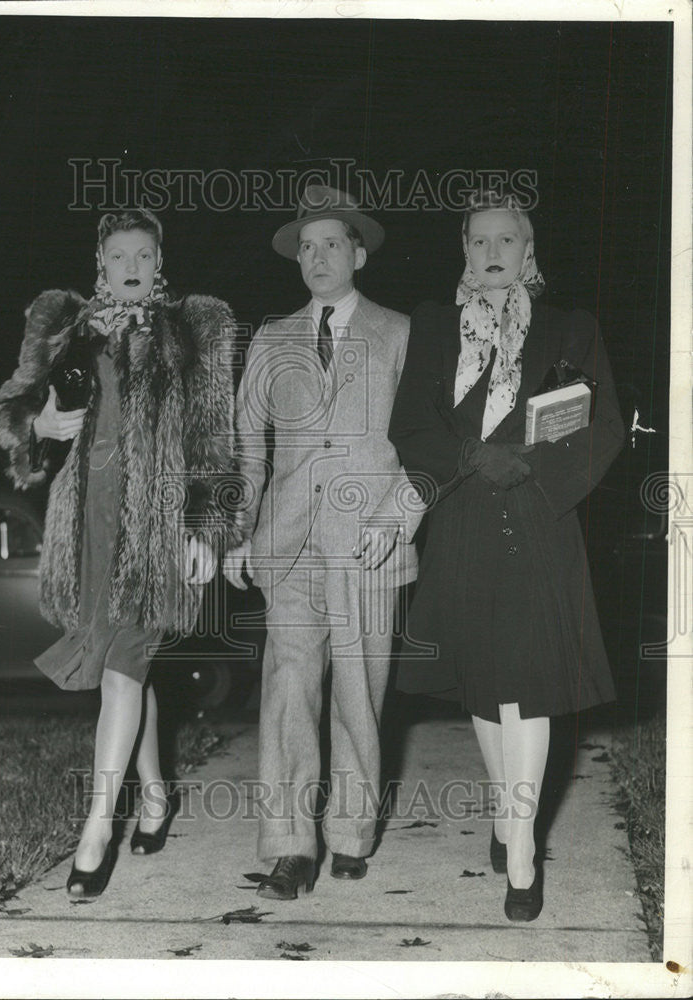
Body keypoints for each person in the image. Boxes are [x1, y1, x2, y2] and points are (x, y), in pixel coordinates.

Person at [388, 188, 625, 921]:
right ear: (465, 252)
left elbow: (601, 425)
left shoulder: (567, 329)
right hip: (461, 521)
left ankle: (521, 850)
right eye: (479, 241)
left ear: (529, 252)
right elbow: (409, 423)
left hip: (537, 524)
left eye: (507, 241)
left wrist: (530, 470)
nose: (492, 253)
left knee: (528, 686)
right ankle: (504, 810)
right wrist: (469, 455)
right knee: (487, 689)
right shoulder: (436, 328)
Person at [0, 209, 241, 898]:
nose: (132, 265)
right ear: (100, 266)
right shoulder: (63, 324)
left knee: (126, 667)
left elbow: (215, 438)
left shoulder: (195, 329)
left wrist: (205, 528)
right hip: (89, 523)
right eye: (119, 255)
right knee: (117, 669)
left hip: (158, 528)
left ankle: (97, 829)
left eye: (145, 254)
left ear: (161, 264)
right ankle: (155, 793)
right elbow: (14, 408)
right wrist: (36, 422)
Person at [223, 185, 425, 899]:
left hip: (368, 540)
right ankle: (289, 846)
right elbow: (247, 446)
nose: (317, 256)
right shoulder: (273, 337)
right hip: (289, 543)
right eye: (306, 246)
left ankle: (350, 833)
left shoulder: (401, 332)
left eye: (331, 243)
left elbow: (430, 441)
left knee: (359, 695)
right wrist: (238, 532)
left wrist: (398, 515)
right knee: (287, 688)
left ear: (359, 253)